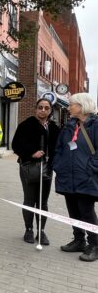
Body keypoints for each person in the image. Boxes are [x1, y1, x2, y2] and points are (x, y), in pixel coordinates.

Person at [53, 93, 98, 262]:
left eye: (72, 104)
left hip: (86, 177)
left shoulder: (96, 125)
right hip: (67, 177)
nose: (68, 107)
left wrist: (90, 169)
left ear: (82, 106)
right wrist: (58, 165)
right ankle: (79, 240)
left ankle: (94, 244)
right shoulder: (69, 126)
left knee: (87, 212)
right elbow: (60, 148)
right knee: (73, 211)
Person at [12, 98, 60, 245]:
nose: (43, 110)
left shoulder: (54, 128)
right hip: (28, 167)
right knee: (29, 199)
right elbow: (16, 145)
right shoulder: (25, 125)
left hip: (47, 168)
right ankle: (29, 230)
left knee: (43, 202)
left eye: (46, 108)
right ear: (35, 109)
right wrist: (31, 153)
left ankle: (41, 231)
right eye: (40, 107)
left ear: (50, 110)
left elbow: (58, 148)